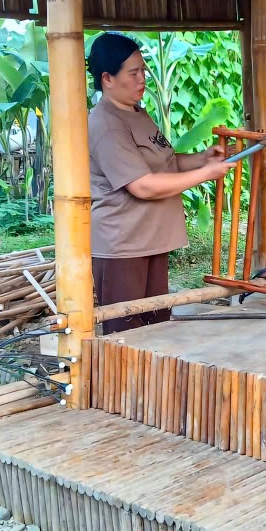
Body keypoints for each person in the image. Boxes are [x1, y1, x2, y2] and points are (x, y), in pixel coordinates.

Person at [86, 32, 234, 334]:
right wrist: (206, 174)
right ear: (107, 78)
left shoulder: (136, 113)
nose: (142, 78)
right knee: (126, 332)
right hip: (124, 245)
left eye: (143, 70)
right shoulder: (106, 124)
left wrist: (203, 159)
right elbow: (142, 185)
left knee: (157, 326)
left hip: (151, 238)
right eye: (133, 73)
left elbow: (163, 162)